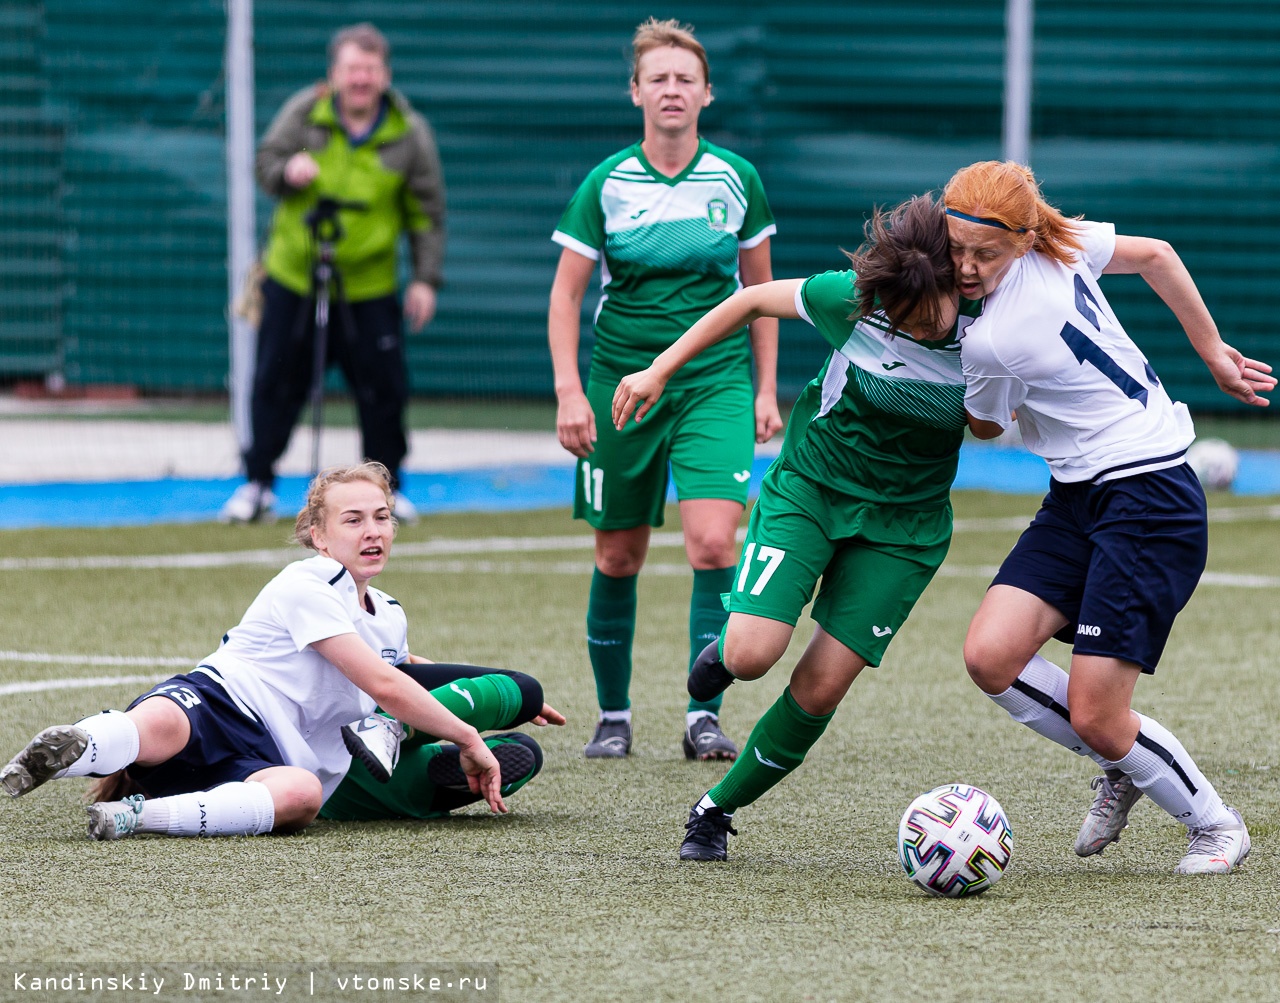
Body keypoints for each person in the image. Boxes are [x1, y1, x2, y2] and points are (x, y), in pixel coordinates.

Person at [614, 195, 991, 860]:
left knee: (818, 686)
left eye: (923, 314)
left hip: (905, 529)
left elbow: (990, 425)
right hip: (811, 490)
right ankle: (726, 654)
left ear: (954, 283)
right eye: (897, 314)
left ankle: (714, 809)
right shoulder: (852, 298)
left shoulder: (994, 333)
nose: (910, 326)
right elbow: (749, 300)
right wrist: (659, 368)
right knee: (753, 654)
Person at [944, 160, 1276, 875]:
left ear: (1022, 239)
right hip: (1079, 493)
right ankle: (1121, 755)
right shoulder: (1059, 242)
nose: (967, 266)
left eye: (984, 254)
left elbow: (981, 425)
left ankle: (1216, 826)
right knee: (990, 656)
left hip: (1148, 495)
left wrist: (937, 331)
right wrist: (1211, 351)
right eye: (956, 249)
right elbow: (1157, 255)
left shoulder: (994, 337)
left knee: (1100, 713)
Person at [1, 463, 558, 839]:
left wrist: (510, 693)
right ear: (319, 536)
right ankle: (71, 747)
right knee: (160, 727)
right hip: (223, 703)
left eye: (382, 517)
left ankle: (133, 817)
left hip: (274, 757)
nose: (374, 532)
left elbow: (403, 668)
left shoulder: (387, 612)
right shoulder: (307, 582)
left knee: (301, 796)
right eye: (354, 519)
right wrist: (466, 733)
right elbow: (387, 686)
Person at [548, 18, 782, 761]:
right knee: (618, 554)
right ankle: (613, 714)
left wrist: (766, 389)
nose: (673, 90)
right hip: (622, 385)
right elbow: (565, 295)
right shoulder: (606, 182)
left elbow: (763, 290)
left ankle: (701, 713)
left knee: (716, 542)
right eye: (659, 78)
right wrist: (568, 392)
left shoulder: (735, 178)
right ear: (637, 92)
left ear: (707, 93)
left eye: (686, 78)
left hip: (714, 380)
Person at [220, 22, 447, 526]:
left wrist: (425, 279)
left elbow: (427, 211)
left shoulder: (409, 133)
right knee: (276, 382)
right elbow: (265, 163)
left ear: (385, 75)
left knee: (383, 390)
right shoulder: (304, 113)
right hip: (294, 276)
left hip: (370, 285)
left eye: (370, 69)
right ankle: (257, 482)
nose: (360, 79)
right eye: (351, 69)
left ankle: (387, 492)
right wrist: (289, 172)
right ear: (334, 74)